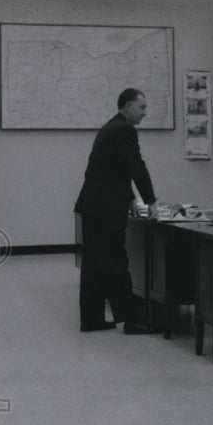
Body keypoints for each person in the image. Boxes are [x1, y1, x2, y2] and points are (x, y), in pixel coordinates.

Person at [73, 88, 158, 334]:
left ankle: (91, 320)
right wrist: (151, 201)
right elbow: (135, 166)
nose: (145, 113)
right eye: (142, 108)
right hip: (106, 207)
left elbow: (112, 169)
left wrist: (131, 197)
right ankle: (132, 320)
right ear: (129, 105)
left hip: (92, 205)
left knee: (93, 265)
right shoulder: (124, 129)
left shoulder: (109, 127)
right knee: (116, 262)